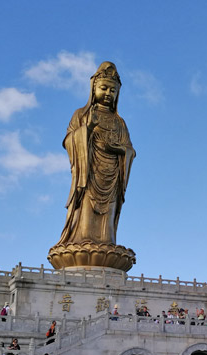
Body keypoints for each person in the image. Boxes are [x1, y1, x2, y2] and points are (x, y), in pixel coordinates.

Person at [52, 61, 135, 248]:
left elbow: (130, 150)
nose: (108, 94)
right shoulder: (81, 114)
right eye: (104, 88)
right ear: (93, 89)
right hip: (89, 172)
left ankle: (107, 242)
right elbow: (68, 140)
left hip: (112, 175)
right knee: (87, 206)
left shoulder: (119, 122)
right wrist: (86, 131)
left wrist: (119, 149)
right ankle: (82, 239)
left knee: (109, 213)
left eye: (112, 91)